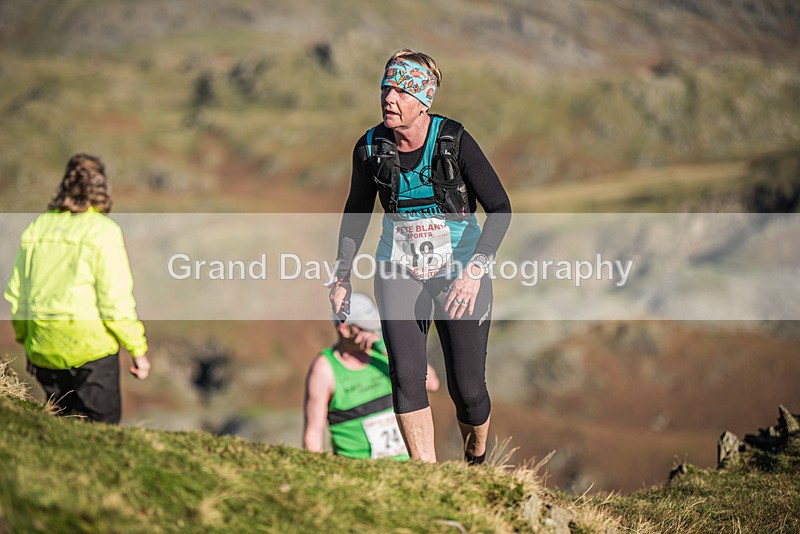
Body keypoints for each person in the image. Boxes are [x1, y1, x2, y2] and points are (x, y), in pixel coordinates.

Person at [329, 50, 511, 464]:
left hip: (460, 273)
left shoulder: (454, 140)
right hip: (398, 269)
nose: (388, 98)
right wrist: (341, 276)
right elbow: (356, 213)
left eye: (400, 90)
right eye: (384, 88)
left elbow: (501, 209)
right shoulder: (370, 147)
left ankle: (476, 463)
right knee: (406, 379)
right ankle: (427, 480)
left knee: (467, 390)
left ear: (423, 100)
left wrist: (474, 272)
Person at [4, 153, 151, 424]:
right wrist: (137, 350)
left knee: (61, 428)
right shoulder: (103, 231)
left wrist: (27, 340)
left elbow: (16, 293)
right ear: (101, 186)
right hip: (90, 350)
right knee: (102, 432)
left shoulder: (38, 227)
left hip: (43, 346)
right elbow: (114, 301)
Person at [304, 292, 439, 460]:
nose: (374, 332)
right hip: (358, 472)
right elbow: (313, 434)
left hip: (407, 466)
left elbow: (432, 383)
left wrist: (388, 350)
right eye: (366, 327)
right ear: (345, 329)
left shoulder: (385, 351)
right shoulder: (324, 369)